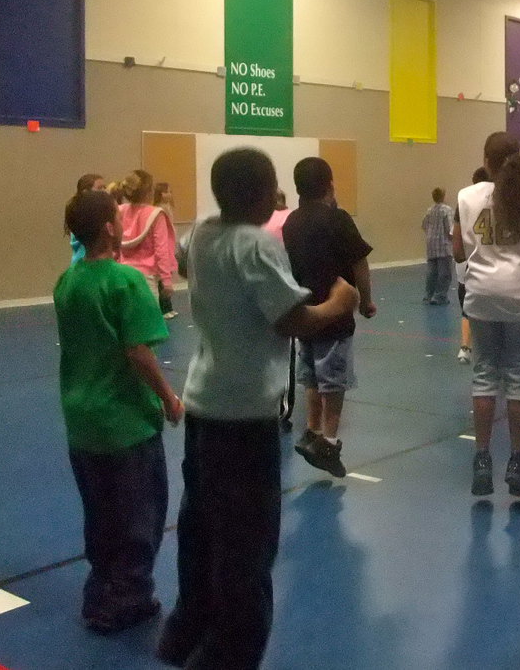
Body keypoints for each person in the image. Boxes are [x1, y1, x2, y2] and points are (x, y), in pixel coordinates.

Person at [156, 148, 358, 670]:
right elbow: (293, 320)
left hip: (204, 402)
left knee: (201, 527)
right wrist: (339, 303)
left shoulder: (203, 231)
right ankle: (229, 654)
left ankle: (185, 630)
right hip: (244, 416)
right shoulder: (255, 245)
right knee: (246, 544)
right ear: (259, 195)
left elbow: (183, 261)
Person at [54, 189, 183, 634]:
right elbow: (138, 351)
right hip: (124, 421)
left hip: (81, 418)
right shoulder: (126, 282)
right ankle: (126, 598)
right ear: (110, 227)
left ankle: (100, 593)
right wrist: (168, 397)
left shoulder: (67, 281)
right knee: (138, 516)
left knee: (100, 513)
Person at [453, 132, 520, 499]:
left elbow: (458, 250)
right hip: (518, 294)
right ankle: (517, 461)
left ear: (486, 160)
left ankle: (482, 458)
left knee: (484, 374)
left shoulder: (466, 197)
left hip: (481, 294)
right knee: (518, 374)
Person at [280, 157, 377, 476]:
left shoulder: (291, 222)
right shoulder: (339, 219)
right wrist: (365, 300)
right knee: (333, 380)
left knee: (311, 374)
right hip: (335, 315)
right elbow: (360, 261)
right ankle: (329, 441)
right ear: (330, 185)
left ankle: (311, 430)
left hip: (306, 313)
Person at [118, 170, 177, 310]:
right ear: (149, 191)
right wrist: (166, 280)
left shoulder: (119, 211)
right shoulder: (156, 214)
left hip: (121, 273)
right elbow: (161, 249)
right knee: (149, 319)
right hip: (147, 277)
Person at [456, 166, 490, 364]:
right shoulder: (495, 203)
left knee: (467, 310)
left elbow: (457, 248)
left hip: (467, 268)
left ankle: (465, 347)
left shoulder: (465, 202)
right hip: (484, 268)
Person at [422, 187, 455, 305]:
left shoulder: (429, 210)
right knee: (444, 273)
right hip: (443, 245)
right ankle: (440, 296)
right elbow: (450, 228)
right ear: (443, 196)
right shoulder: (447, 210)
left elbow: (424, 225)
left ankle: (428, 295)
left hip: (431, 245)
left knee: (432, 272)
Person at [67, 173, 105, 265]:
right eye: (100, 188)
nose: (104, 191)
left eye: (105, 187)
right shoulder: (82, 213)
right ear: (85, 192)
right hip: (85, 262)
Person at [153, 183, 179, 319]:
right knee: (162, 281)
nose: (169, 194)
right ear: (161, 194)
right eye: (167, 192)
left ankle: (168, 307)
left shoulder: (167, 208)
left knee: (166, 277)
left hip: (169, 246)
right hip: (165, 247)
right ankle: (164, 308)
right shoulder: (159, 211)